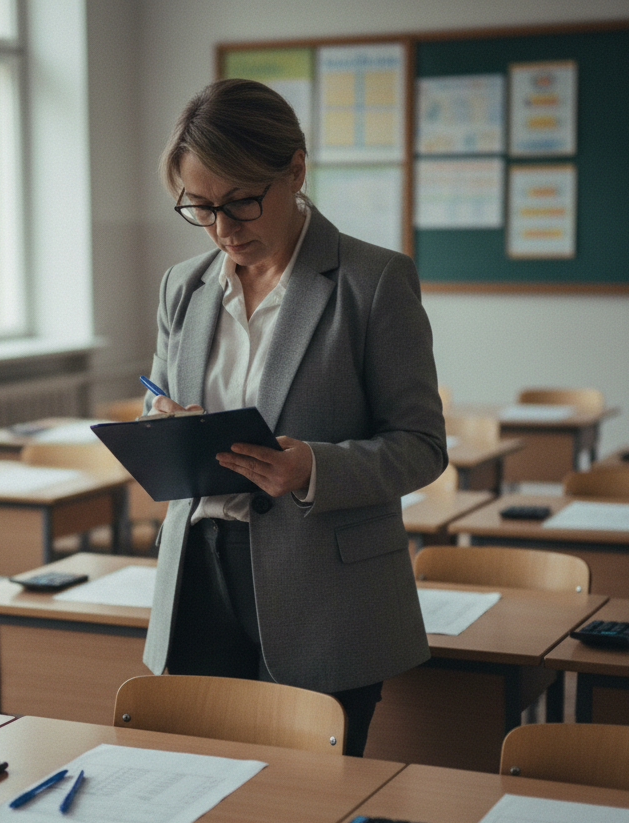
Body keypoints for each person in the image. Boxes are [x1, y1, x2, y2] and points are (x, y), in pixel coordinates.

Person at [141, 79, 446, 756]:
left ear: (296, 172)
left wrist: (314, 466)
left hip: (326, 590)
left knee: (307, 811)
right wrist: (163, 421)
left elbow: (423, 445)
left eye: (242, 202)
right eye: (201, 208)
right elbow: (154, 397)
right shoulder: (183, 287)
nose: (223, 228)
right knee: (203, 794)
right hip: (199, 574)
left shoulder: (374, 283)